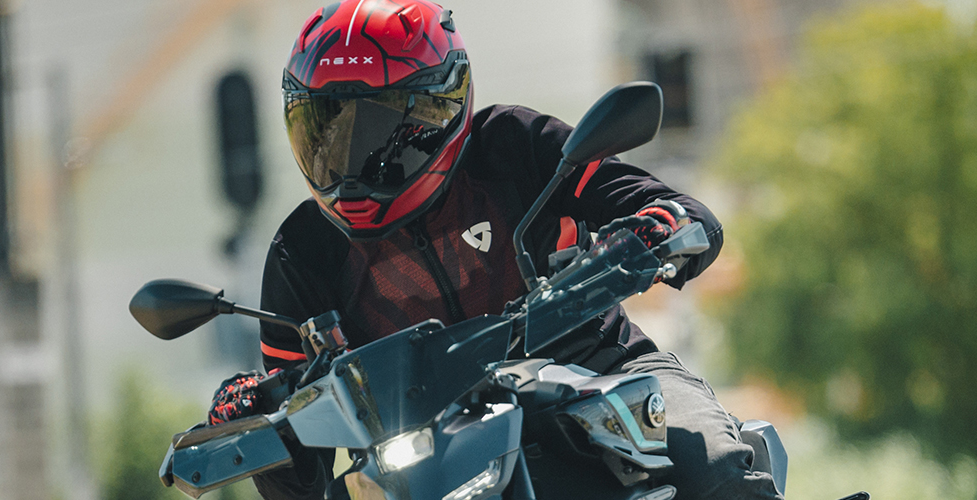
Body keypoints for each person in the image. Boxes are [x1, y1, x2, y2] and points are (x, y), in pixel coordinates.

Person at [201, 1, 782, 498]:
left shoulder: (511, 145)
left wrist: (657, 228)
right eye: (325, 129)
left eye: (373, 128)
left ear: (435, 111)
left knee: (715, 471)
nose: (347, 160)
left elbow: (670, 207)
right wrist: (254, 412)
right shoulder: (302, 250)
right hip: (423, 448)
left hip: (602, 374)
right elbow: (299, 472)